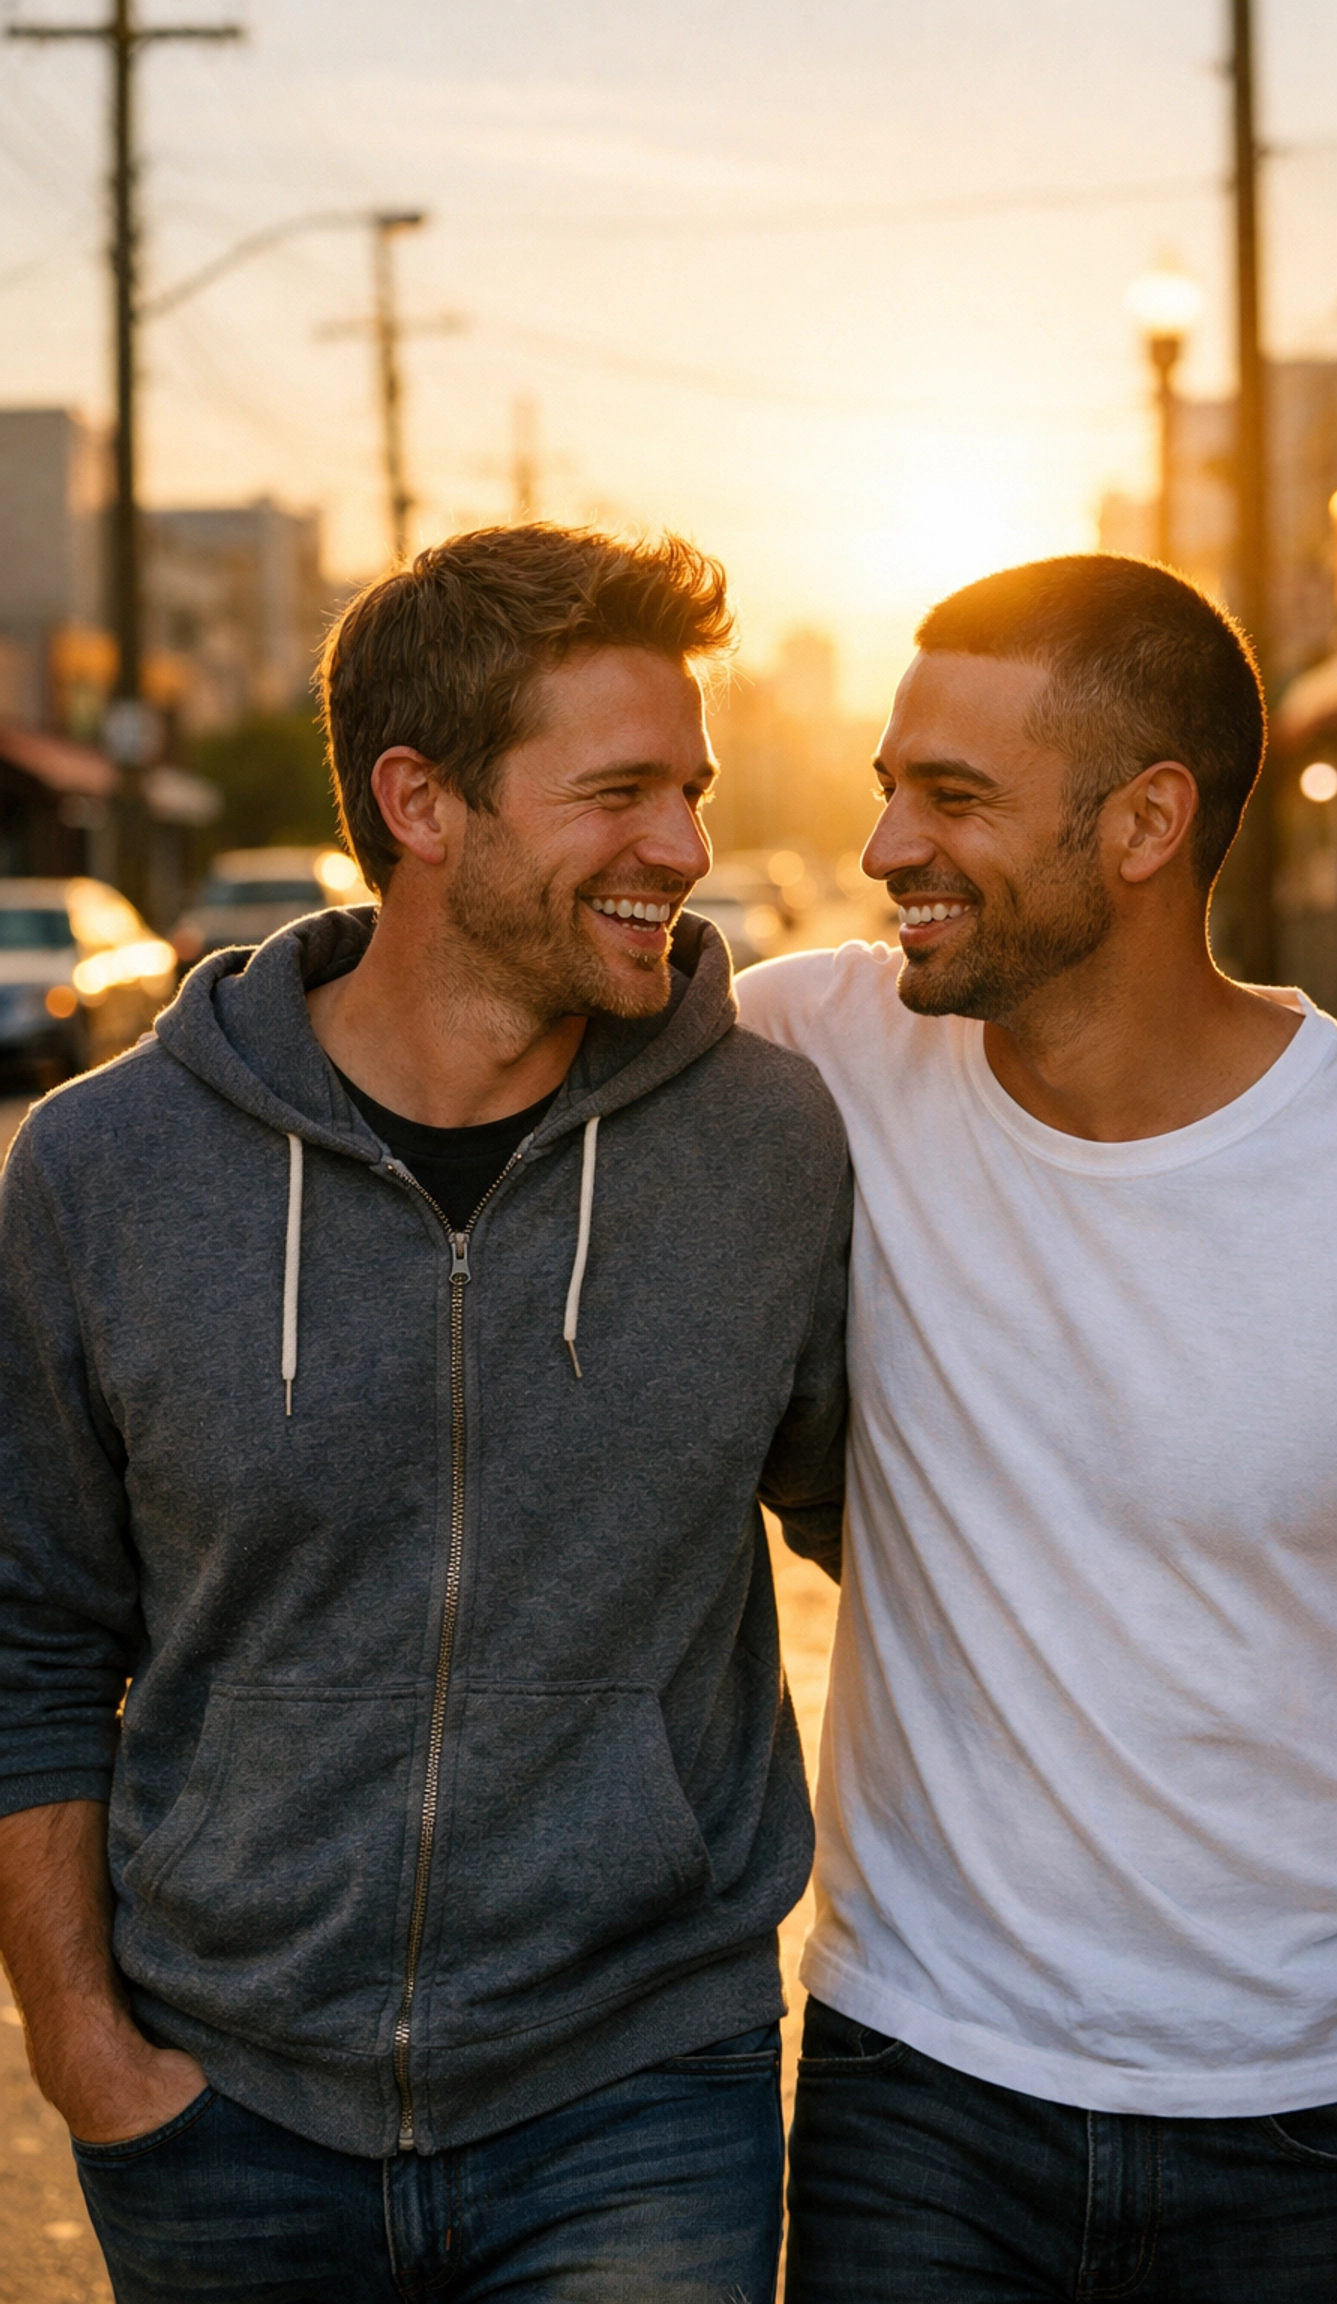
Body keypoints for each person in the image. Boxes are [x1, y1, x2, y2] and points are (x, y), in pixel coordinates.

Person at [0, 524, 851, 2304]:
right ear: (422, 802)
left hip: (636, 2087)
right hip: (223, 2106)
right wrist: (82, 2042)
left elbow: (911, 1521)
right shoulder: (105, 1168)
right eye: (617, 792)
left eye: (689, 791)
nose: (682, 851)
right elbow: (33, 1628)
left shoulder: (766, 1149)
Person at [737, 553, 1337, 2304]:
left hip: (1316, 2120)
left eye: (955, 799)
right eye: (889, 790)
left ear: (1147, 822)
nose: (886, 853)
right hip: (916, 2086)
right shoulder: (813, 1049)